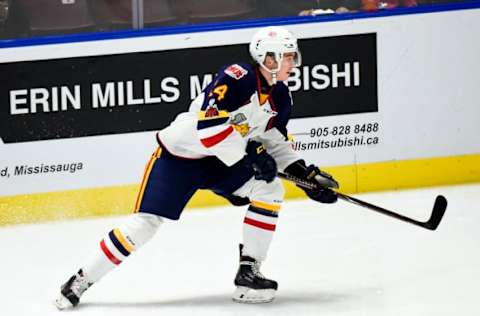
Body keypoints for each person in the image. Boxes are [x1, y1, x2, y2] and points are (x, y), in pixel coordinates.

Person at [54, 25, 339, 309]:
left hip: (223, 162)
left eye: (293, 56)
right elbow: (209, 130)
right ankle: (81, 279)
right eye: (287, 56)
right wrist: (251, 157)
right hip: (181, 158)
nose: (293, 62)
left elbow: (273, 139)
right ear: (268, 58)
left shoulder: (281, 97)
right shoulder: (236, 77)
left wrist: (304, 174)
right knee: (144, 224)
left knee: (270, 189)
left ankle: (248, 273)